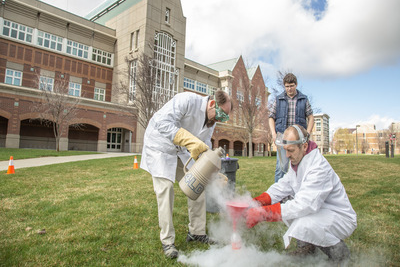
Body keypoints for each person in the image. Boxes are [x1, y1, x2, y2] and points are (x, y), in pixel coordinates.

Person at [140, 90, 232, 259]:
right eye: (220, 114)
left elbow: (203, 145)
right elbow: (162, 122)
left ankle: (196, 232)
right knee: (166, 189)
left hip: (182, 150)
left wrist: (212, 173)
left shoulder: (212, 122)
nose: (220, 120)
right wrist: (189, 140)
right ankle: (167, 241)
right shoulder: (187, 100)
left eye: (224, 118)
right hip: (159, 146)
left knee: (199, 184)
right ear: (212, 104)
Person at [246, 124, 357, 263]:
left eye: (290, 150)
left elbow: (305, 205)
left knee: (303, 221)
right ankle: (308, 248)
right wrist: (257, 201)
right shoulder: (299, 160)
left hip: (340, 217)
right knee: (289, 207)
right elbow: (283, 185)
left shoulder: (318, 167)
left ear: (304, 146)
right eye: (285, 150)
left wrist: (263, 213)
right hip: (322, 210)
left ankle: (339, 253)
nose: (287, 155)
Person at [269, 73, 314, 182]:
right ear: (284, 86)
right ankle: (279, 196)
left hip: (298, 140)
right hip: (282, 137)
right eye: (287, 86)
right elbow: (271, 117)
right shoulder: (279, 99)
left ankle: (299, 193)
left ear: (296, 85)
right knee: (281, 168)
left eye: (292, 86)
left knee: (300, 167)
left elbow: (311, 117)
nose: (289, 89)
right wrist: (274, 134)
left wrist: (307, 133)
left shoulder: (303, 99)